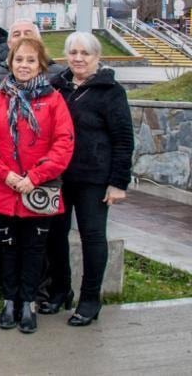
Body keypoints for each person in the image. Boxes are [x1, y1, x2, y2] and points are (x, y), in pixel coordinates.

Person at [0, 36, 74, 334]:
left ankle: (28, 302)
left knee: (34, 250)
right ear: (11, 62)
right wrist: (6, 174)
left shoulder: (53, 100)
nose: (24, 65)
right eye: (19, 59)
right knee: (7, 249)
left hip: (37, 190)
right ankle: (9, 300)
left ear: (40, 64)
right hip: (5, 187)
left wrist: (34, 177)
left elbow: (63, 143)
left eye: (31, 60)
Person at [42, 32, 133, 327]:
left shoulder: (110, 91)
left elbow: (123, 139)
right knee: (55, 235)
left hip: (94, 177)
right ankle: (59, 290)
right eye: (73, 52)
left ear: (96, 57)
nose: (78, 58)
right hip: (59, 175)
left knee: (92, 236)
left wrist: (118, 182)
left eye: (85, 53)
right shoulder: (57, 87)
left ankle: (90, 299)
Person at [0, 20, 66, 89]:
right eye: (16, 34)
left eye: (28, 34)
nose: (22, 38)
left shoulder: (60, 74)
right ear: (9, 44)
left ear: (39, 41)